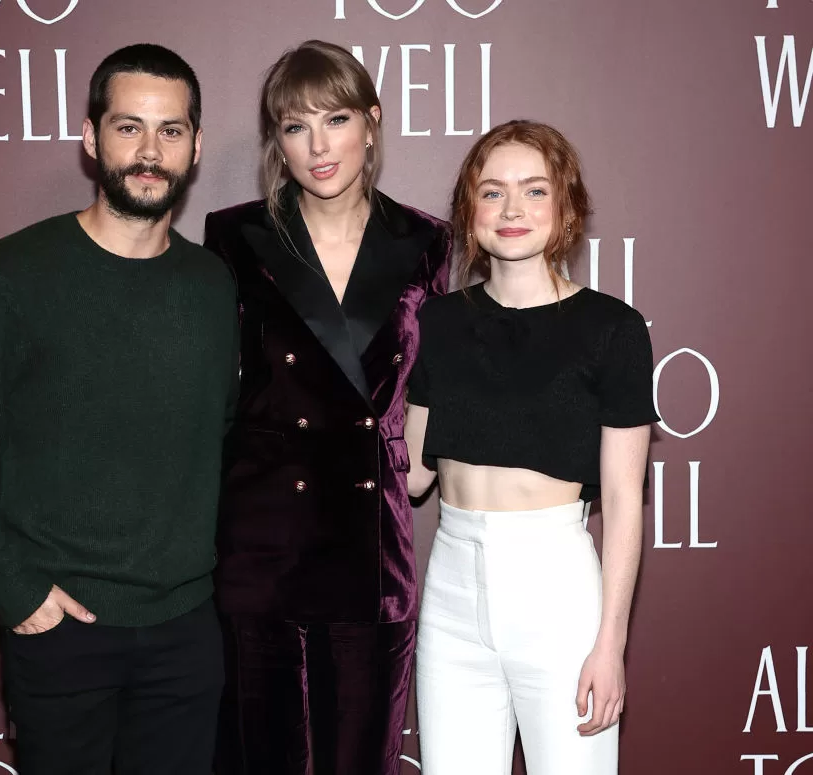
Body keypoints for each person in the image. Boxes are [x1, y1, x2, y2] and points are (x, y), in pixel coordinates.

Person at [0, 44, 237, 775]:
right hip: (61, 630)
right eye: (128, 128)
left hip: (186, 633)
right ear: (91, 139)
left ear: (195, 147)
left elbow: (219, 436)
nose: (150, 151)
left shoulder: (214, 286)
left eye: (171, 131)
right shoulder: (8, 275)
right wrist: (18, 589)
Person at [204, 39, 451, 775]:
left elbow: (434, 378)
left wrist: (415, 464)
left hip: (370, 543)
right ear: (275, 139)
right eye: (294, 126)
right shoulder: (237, 236)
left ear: (372, 122)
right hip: (262, 538)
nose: (317, 146)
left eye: (335, 119)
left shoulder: (425, 241)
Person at [405, 119, 657, 775]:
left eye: (534, 190)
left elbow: (625, 501)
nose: (512, 209)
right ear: (469, 210)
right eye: (492, 192)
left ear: (566, 205)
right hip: (453, 591)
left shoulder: (614, 328)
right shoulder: (437, 321)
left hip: (560, 595)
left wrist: (611, 643)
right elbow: (410, 477)